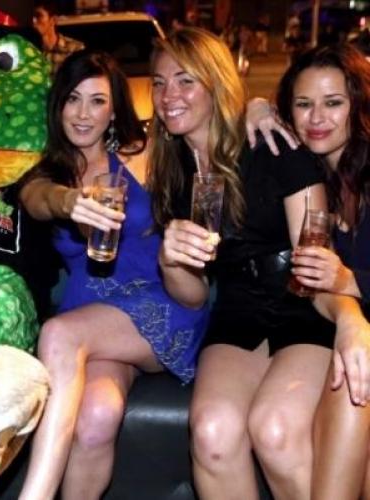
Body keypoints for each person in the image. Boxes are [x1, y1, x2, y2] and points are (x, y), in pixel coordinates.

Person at [151, 27, 359, 500]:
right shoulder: (173, 170)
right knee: (212, 432)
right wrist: (171, 261)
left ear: (217, 83)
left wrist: (260, 105)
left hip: (303, 299)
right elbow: (195, 295)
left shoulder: (270, 143)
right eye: (159, 83)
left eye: (185, 80)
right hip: (238, 308)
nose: (168, 96)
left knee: (276, 428)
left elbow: (316, 254)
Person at [17, 48, 208, 500]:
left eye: (98, 101)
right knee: (96, 418)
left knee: (58, 334)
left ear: (114, 109)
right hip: (93, 322)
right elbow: (38, 199)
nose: (84, 114)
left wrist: (258, 108)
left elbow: (207, 125)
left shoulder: (143, 155)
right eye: (73, 99)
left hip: (157, 304)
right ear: (58, 104)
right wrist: (70, 201)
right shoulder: (44, 173)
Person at [274, 44, 370, 500]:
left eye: (333, 103)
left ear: (359, 105)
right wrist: (257, 110)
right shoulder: (309, 179)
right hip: (349, 342)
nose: (316, 118)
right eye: (303, 104)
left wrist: (349, 280)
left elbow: (337, 279)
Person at [33, 0, 84, 77]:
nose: (34, 21)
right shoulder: (31, 50)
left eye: (39, 16)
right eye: (33, 17)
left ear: (53, 20)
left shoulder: (74, 49)